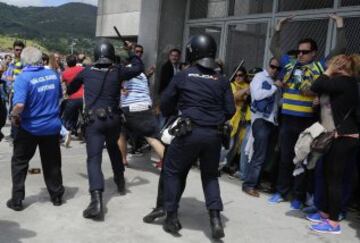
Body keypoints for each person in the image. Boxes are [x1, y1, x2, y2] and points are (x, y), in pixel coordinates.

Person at [160, 34, 235, 239]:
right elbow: (230, 110)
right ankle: (215, 219)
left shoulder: (184, 75)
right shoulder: (221, 79)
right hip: (214, 134)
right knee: (210, 176)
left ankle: (171, 218)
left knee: (172, 171)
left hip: (189, 132)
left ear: (192, 51)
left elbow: (166, 104)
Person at [268, 14, 346, 209]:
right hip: (288, 119)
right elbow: (273, 48)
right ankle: (280, 191)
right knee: (285, 158)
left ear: (314, 53)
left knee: (302, 159)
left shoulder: (319, 67)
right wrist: (278, 28)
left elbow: (340, 49)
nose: (300, 55)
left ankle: (298, 197)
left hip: (307, 121)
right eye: (299, 52)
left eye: (305, 52)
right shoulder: (289, 64)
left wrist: (340, 25)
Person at [67, 40, 144, 221]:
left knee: (94, 159)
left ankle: (96, 200)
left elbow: (71, 89)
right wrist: (131, 51)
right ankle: (120, 181)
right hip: (113, 119)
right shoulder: (117, 71)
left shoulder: (86, 72)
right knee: (113, 149)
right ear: (111, 55)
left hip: (94, 121)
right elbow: (138, 67)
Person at [7, 47, 64, 211]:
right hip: (52, 126)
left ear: (24, 61)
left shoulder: (23, 78)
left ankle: (17, 200)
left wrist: (13, 115)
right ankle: (57, 196)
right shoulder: (53, 75)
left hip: (29, 127)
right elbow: (59, 96)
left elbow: (19, 104)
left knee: (20, 162)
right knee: (52, 162)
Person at [242, 58, 281, 197]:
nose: (274, 70)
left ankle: (255, 183)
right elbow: (257, 95)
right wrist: (275, 87)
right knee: (259, 154)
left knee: (265, 155)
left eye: (278, 68)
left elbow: (276, 104)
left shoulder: (274, 82)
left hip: (271, 122)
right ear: (268, 65)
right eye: (272, 66)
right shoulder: (259, 77)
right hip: (260, 120)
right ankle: (249, 184)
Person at [62, 55, 84, 135]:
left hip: (72, 98)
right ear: (76, 62)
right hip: (83, 97)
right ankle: (84, 133)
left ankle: (68, 132)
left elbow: (61, 83)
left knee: (68, 117)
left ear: (67, 63)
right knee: (85, 117)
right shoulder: (82, 69)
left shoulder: (64, 73)